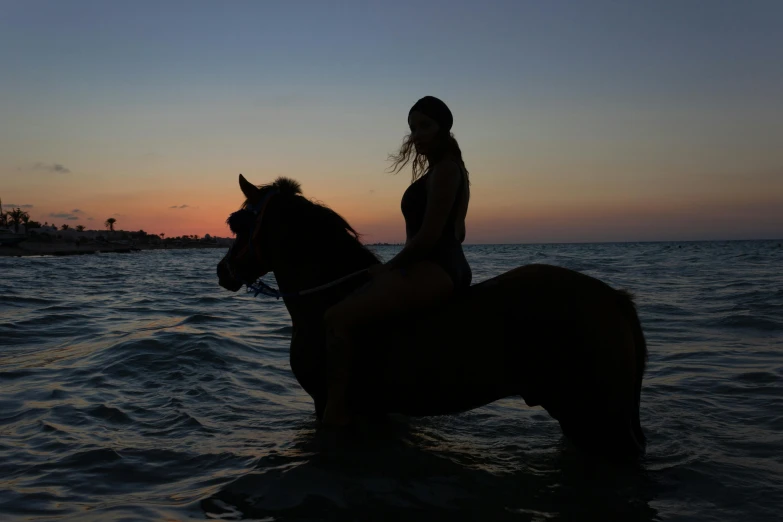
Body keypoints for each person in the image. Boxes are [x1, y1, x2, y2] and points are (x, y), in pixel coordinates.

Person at [321, 95, 473, 427]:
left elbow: (430, 237)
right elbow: (457, 233)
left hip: (436, 268)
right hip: (445, 265)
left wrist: (391, 267)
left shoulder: (445, 170)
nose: (417, 134)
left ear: (444, 128)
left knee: (337, 318)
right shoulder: (450, 170)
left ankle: (336, 414)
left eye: (425, 126)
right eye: (412, 127)